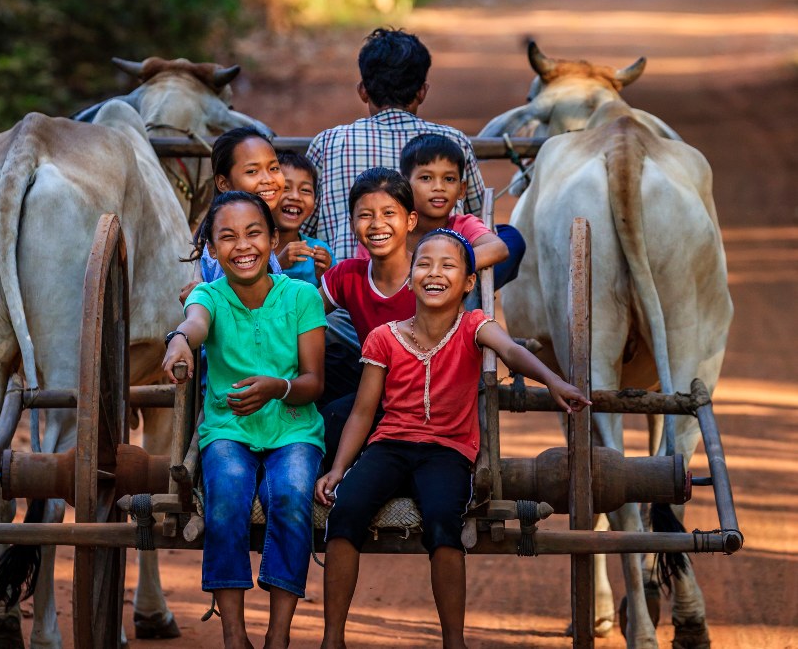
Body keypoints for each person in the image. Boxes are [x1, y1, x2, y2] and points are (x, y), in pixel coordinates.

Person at [315, 229, 591, 649]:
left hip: (447, 452)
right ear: (410, 278)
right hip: (388, 446)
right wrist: (338, 469)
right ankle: (332, 638)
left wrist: (553, 381)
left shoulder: (474, 326)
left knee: (445, 520)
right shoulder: (384, 337)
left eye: (448, 265)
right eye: (424, 264)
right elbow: (363, 412)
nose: (434, 273)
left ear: (467, 282)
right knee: (345, 512)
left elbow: (512, 352)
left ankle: (453, 641)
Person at [162, 191, 327, 649]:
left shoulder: (302, 297)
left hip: (294, 425)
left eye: (254, 233)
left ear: (274, 240)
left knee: (293, 497)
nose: (243, 245)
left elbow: (314, 382)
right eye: (227, 237)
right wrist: (179, 340)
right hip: (228, 428)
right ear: (211, 251)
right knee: (226, 496)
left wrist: (278, 388)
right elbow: (195, 322)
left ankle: (279, 633)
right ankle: (233, 632)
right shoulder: (208, 295)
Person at [303, 27, 485, 264]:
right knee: (509, 237)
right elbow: (478, 217)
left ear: (363, 91)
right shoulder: (454, 142)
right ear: (422, 92)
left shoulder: (327, 143)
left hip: (343, 293)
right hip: (437, 288)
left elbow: (303, 226)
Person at [317, 167, 418, 466]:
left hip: (417, 398)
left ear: (410, 220)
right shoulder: (348, 274)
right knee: (329, 361)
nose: (377, 224)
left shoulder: (427, 276)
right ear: (351, 223)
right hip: (371, 386)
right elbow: (301, 315)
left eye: (389, 213)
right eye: (365, 215)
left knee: (334, 421)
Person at [357, 133, 507, 271]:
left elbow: (498, 248)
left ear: (461, 189)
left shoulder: (463, 226)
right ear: (405, 185)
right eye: (426, 178)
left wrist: (446, 266)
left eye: (449, 179)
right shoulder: (387, 228)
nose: (439, 187)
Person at [179, 126, 286, 304]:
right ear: (224, 183)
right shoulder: (231, 249)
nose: (268, 179)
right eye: (252, 171)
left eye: (274, 168)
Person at [274, 150, 333, 287]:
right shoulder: (255, 248)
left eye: (305, 190)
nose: (295, 196)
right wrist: (277, 265)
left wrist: (324, 277)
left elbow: (334, 302)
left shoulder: (319, 251)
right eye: (285, 188)